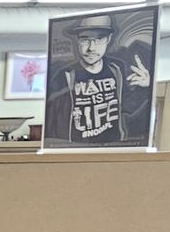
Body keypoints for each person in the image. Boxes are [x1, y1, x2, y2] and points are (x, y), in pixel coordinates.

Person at [45, 13, 152, 145]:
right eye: (85, 40)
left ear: (108, 39)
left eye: (99, 39)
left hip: (112, 148)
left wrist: (145, 88)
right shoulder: (65, 75)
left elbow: (125, 106)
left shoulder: (116, 68)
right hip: (76, 149)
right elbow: (54, 122)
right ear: (77, 40)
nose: (91, 48)